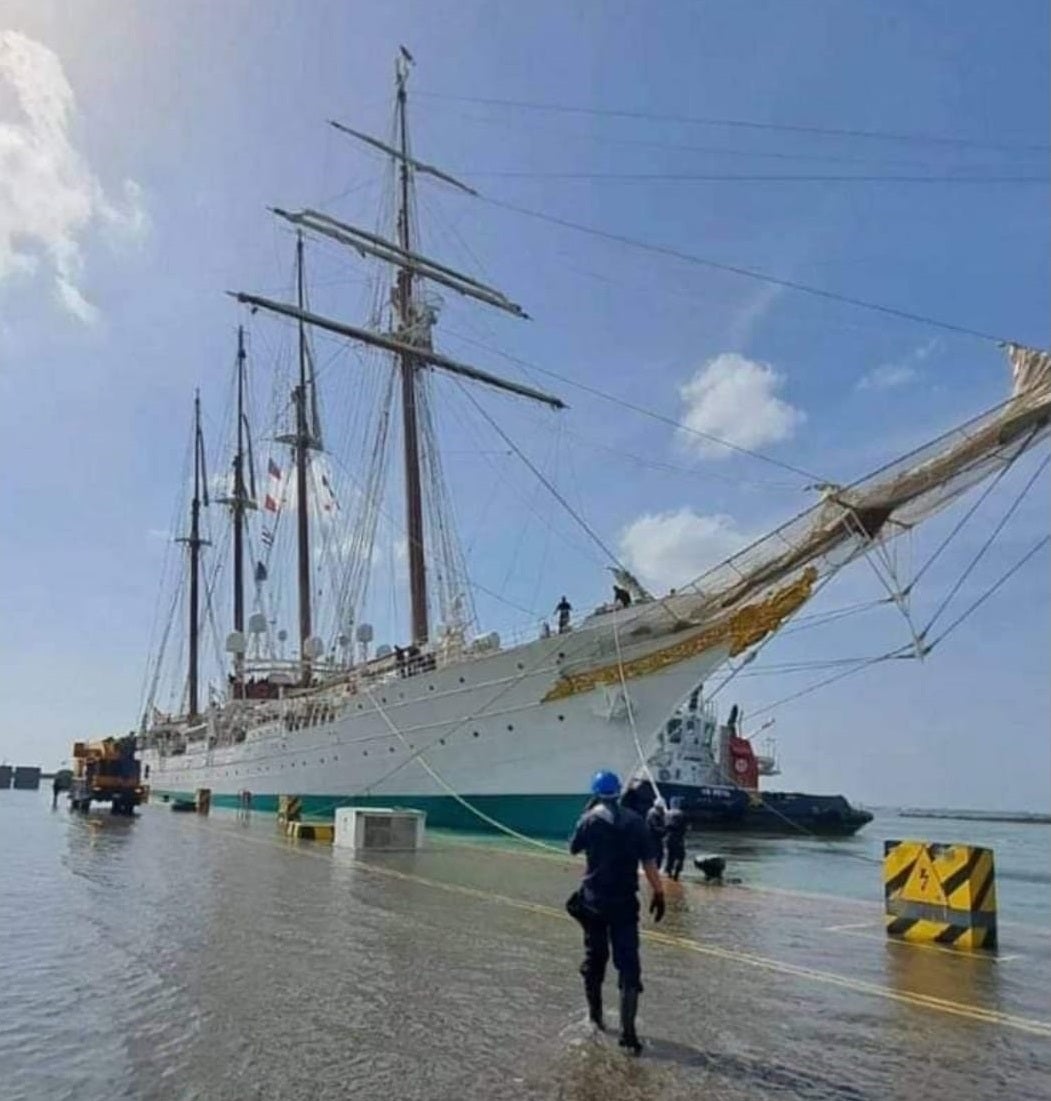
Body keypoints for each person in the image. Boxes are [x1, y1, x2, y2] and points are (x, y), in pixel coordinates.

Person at [568, 770, 665, 1056]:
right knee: (629, 967)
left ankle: (595, 1020)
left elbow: (573, 848)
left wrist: (584, 814)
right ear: (619, 792)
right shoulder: (636, 822)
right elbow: (649, 863)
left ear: (596, 793)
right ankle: (629, 1034)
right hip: (625, 903)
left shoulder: (589, 820)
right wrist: (659, 892)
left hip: (594, 902)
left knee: (594, 961)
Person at [663, 796, 688, 881]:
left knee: (670, 856)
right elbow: (684, 827)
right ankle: (676, 875)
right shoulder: (681, 813)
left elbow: (665, 825)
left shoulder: (667, 813)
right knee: (680, 857)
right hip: (678, 838)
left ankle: (669, 873)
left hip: (668, 838)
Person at [645, 800, 666, 871]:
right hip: (653, 837)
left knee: (659, 853)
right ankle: (655, 868)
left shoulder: (658, 812)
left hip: (656, 837)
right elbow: (653, 826)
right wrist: (663, 831)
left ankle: (656, 868)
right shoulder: (653, 813)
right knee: (656, 853)